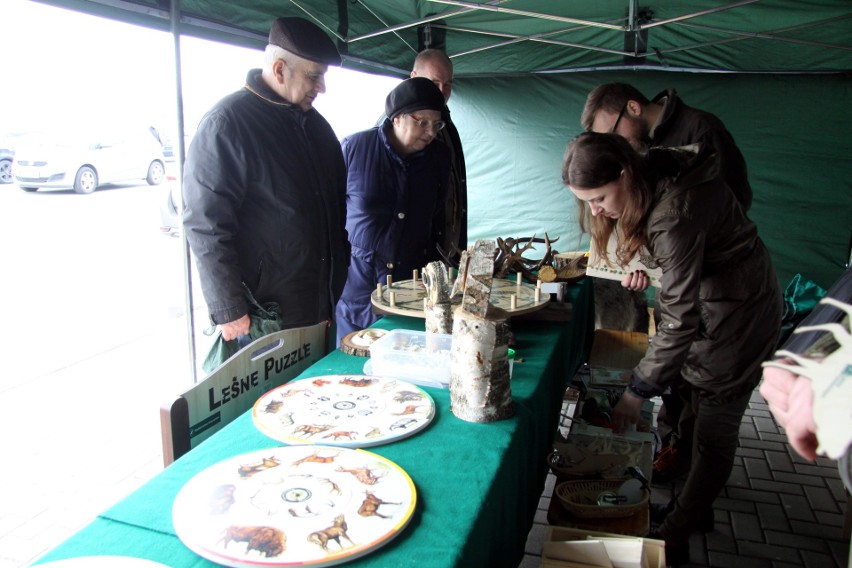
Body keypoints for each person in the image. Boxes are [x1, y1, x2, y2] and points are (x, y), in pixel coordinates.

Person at [562, 132, 781, 565]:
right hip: (717, 304)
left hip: (738, 319)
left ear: (624, 173)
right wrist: (646, 266)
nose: (596, 210)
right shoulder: (652, 175)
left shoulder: (673, 213)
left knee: (714, 433)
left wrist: (636, 391)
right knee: (694, 418)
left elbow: (682, 318)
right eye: (586, 201)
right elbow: (679, 268)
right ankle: (691, 510)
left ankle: (675, 534)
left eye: (600, 197)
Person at [582, 82, 754, 481]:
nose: (613, 146)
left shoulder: (701, 130)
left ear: (632, 108)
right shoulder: (641, 148)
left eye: (611, 133)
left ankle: (691, 492)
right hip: (679, 278)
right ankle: (669, 456)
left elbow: (723, 209)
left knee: (703, 401)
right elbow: (646, 216)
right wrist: (645, 261)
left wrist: (669, 261)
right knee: (677, 382)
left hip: (719, 295)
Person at [182, 17, 349, 344]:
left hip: (320, 306)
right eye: (314, 76)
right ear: (280, 69)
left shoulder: (319, 129)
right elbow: (206, 223)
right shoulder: (227, 124)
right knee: (270, 397)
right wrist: (228, 307)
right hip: (263, 315)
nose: (322, 88)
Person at [335, 77, 451, 343]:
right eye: (421, 122)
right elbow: (330, 216)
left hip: (409, 288)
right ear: (397, 118)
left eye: (436, 124)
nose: (430, 132)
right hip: (357, 290)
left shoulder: (440, 159)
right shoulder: (354, 148)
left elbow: (436, 218)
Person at [410, 49, 468, 263]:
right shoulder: (397, 126)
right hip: (417, 256)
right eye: (434, 83)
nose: (442, 91)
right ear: (414, 78)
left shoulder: (447, 122)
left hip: (446, 250)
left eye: (448, 84)